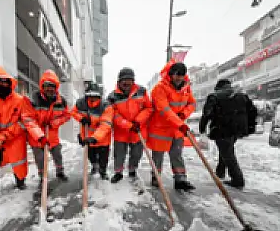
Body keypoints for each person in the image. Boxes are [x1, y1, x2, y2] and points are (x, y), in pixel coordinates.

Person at [0, 66, 44, 199]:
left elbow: (23, 121)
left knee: (18, 161)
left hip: (14, 137)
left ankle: (20, 181)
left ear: (9, 83)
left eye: (4, 82)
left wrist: (8, 134)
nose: (1, 85)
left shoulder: (19, 100)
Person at [197, 78, 258, 190]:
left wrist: (202, 130)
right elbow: (253, 111)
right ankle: (220, 172)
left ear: (218, 88)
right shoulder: (241, 96)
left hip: (221, 129)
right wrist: (249, 126)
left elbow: (206, 114)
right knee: (226, 150)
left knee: (228, 154)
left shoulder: (214, 97)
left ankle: (238, 180)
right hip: (236, 130)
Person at [145, 60, 196, 192]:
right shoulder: (159, 88)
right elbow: (164, 109)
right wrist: (179, 122)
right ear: (171, 74)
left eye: (182, 76)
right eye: (177, 75)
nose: (179, 79)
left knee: (177, 154)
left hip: (176, 129)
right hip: (160, 129)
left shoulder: (186, 88)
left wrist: (183, 115)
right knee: (158, 156)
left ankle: (180, 179)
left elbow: (192, 104)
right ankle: (156, 177)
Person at [106, 67, 153, 183]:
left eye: (129, 80)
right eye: (124, 80)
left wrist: (138, 121)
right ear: (119, 81)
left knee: (136, 153)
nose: (126, 82)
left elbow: (148, 108)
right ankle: (118, 172)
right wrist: (128, 125)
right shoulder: (112, 96)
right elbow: (114, 115)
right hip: (121, 131)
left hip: (138, 129)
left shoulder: (142, 91)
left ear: (133, 81)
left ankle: (132, 170)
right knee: (119, 154)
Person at [28, 70, 72, 182]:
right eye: (47, 86)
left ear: (56, 87)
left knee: (57, 153)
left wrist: (55, 122)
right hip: (37, 134)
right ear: (42, 86)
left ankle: (60, 171)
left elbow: (67, 115)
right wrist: (39, 131)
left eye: (52, 86)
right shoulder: (34, 99)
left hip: (52, 134)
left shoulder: (61, 101)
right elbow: (29, 118)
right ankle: (43, 175)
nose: (49, 89)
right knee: (40, 157)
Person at [73, 82, 114, 179]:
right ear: (86, 95)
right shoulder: (80, 103)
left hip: (102, 138)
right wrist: (81, 118)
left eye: (95, 96)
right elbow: (73, 112)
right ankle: (94, 166)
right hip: (87, 136)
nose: (92, 98)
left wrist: (95, 138)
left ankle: (103, 171)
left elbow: (105, 124)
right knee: (91, 155)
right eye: (90, 95)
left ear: (99, 96)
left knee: (103, 158)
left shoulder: (106, 106)